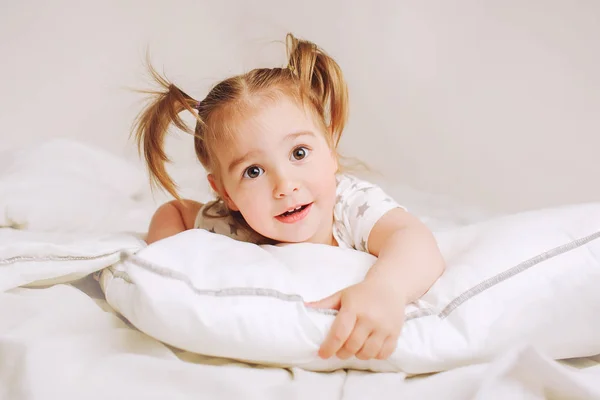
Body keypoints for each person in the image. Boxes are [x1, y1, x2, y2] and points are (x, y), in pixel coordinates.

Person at [133, 33, 445, 362]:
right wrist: (169, 261)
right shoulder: (230, 225)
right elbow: (175, 211)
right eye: (253, 171)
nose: (284, 185)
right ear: (227, 193)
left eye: (299, 152)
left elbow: (413, 239)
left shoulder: (350, 205)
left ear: (331, 152)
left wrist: (387, 290)